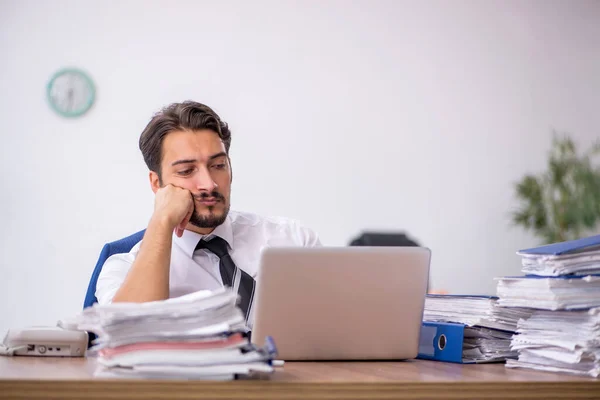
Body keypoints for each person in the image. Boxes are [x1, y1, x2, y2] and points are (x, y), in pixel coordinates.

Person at [96, 101, 320, 328]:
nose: (209, 184)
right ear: (157, 183)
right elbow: (129, 336)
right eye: (186, 171)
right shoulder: (123, 268)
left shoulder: (294, 240)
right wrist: (162, 220)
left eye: (218, 165)